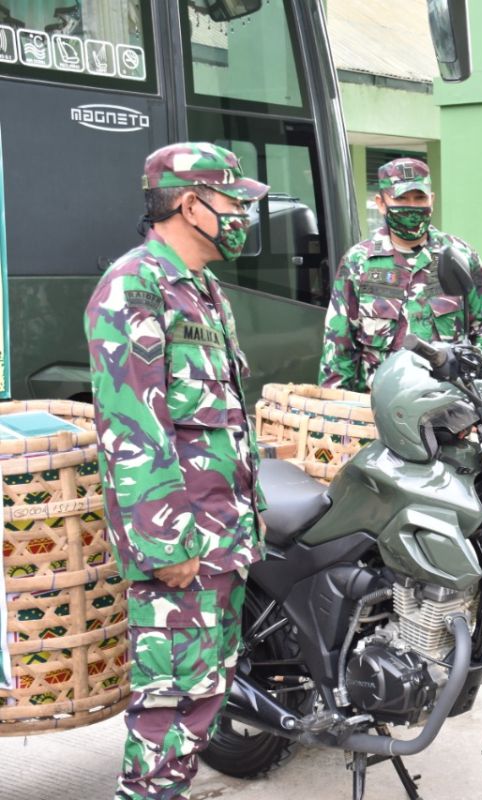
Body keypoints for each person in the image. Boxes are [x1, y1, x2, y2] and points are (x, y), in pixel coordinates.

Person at [85, 142, 270, 799]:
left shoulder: (205, 291)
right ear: (191, 205)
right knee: (166, 708)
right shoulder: (132, 287)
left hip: (221, 537)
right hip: (181, 545)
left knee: (204, 697)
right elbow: (132, 430)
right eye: (233, 201)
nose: (243, 213)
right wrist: (167, 547)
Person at [318, 157, 482, 392]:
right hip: (379, 411)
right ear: (381, 203)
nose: (411, 206)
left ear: (431, 200)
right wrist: (335, 413)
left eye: (419, 197)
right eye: (401, 198)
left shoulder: (459, 256)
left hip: (449, 410)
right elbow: (339, 348)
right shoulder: (358, 263)